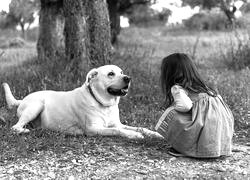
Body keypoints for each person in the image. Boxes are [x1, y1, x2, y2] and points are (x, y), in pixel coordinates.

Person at [155, 53, 234, 158]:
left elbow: (185, 106)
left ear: (169, 73)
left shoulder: (177, 88)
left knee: (172, 114)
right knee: (201, 120)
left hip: (206, 122)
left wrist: (173, 107)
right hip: (221, 122)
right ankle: (216, 147)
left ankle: (183, 147)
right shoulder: (202, 86)